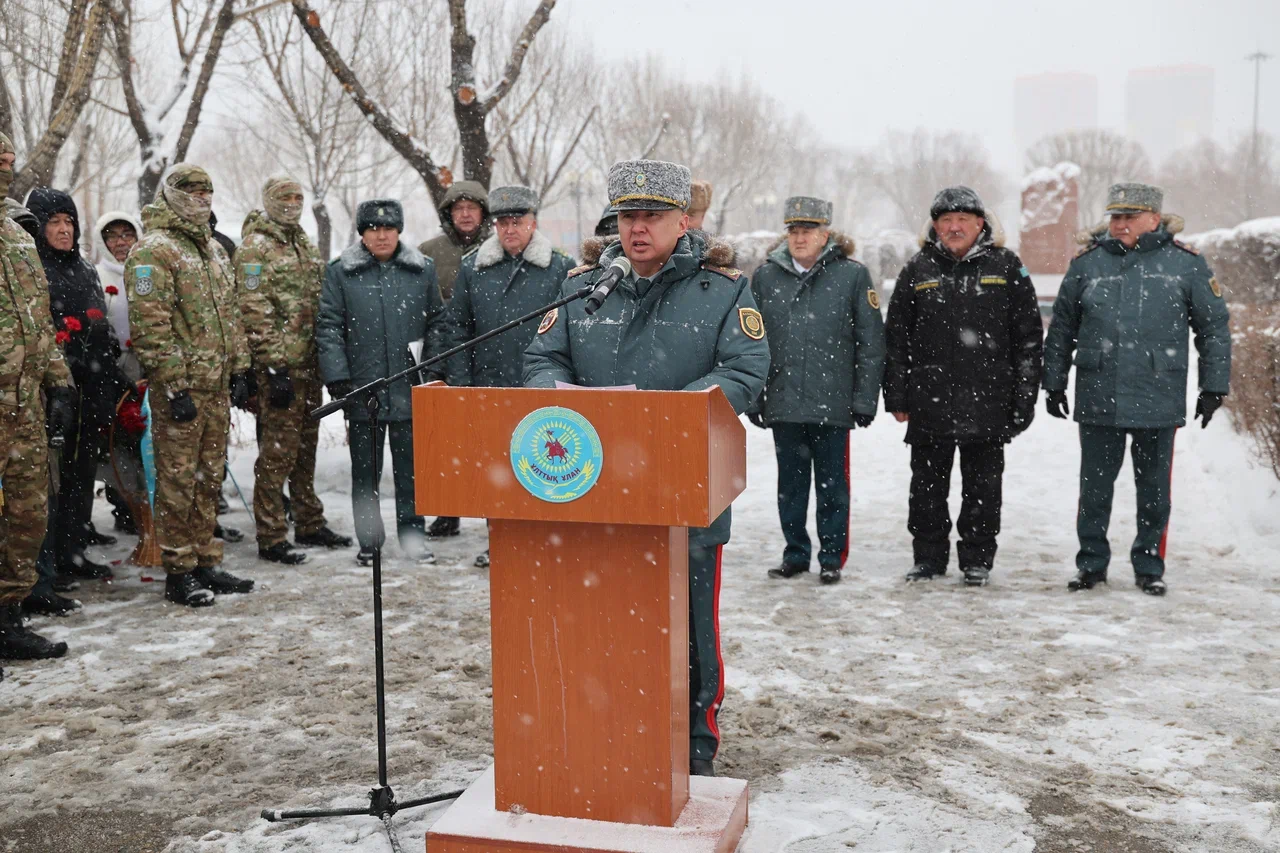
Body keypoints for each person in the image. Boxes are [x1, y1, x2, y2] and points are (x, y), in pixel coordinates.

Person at [525, 159, 770, 777]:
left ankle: (694, 742)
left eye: (652, 216)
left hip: (684, 485)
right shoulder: (584, 286)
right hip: (593, 488)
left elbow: (745, 370)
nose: (637, 228)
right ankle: (606, 732)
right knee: (599, 620)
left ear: (683, 220)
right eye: (627, 216)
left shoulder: (724, 289)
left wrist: (666, 421)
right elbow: (542, 358)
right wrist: (567, 402)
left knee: (690, 626)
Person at [1043, 183, 1231, 596]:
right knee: (1094, 491)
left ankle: (1149, 567)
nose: (1120, 224)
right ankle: (1091, 565)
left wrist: (1214, 386)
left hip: (1157, 395)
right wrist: (1053, 382)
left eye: (1129, 217)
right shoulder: (1087, 264)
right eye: (1115, 217)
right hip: (1099, 394)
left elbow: (1214, 328)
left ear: (1154, 219)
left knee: (1154, 493)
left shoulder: (1185, 265)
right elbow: (1062, 328)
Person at [883, 186, 1043, 587]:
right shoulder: (917, 269)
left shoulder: (1006, 266)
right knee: (926, 490)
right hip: (929, 402)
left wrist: (1025, 397)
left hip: (989, 401)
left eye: (963, 220)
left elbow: (1028, 338)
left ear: (980, 224)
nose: (954, 227)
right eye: (946, 220)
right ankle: (928, 558)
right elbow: (896, 338)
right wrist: (897, 393)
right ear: (935, 226)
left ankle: (977, 559)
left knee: (983, 489)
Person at [126, 163, 257, 607]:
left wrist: (240, 369)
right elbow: (150, 325)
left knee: (208, 478)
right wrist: (174, 385)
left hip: (215, 386)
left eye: (207, 190)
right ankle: (179, 569)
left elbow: (231, 313)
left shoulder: (213, 250)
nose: (201, 198)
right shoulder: (154, 251)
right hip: (181, 390)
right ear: (172, 195)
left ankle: (205, 559)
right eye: (192, 190)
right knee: (178, 482)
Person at [748, 196, 885, 585]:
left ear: (826, 234)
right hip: (784, 402)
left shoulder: (852, 276)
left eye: (808, 230)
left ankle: (831, 557)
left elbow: (871, 342)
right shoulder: (765, 278)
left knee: (832, 488)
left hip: (833, 404)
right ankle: (795, 554)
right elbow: (751, 342)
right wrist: (755, 396)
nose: (799, 237)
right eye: (793, 230)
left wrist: (864, 399)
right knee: (790, 488)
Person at [444, 185, 575, 568]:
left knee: (545, 464)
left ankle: (545, 540)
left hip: (542, 386)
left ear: (533, 222)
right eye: (503, 223)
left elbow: (571, 329)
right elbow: (457, 330)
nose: (510, 229)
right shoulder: (474, 267)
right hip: (490, 385)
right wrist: (461, 384)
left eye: (518, 221)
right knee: (497, 470)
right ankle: (500, 540)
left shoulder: (559, 268)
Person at [318, 199, 449, 567]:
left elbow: (438, 323)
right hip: (364, 390)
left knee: (412, 473)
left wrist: (433, 369)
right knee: (366, 475)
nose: (381, 235)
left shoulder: (421, 270)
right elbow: (328, 327)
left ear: (398, 231)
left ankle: (413, 538)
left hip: (410, 388)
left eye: (389, 228)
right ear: (362, 233)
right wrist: (338, 377)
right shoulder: (341, 273)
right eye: (373, 229)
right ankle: (369, 542)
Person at [237, 176, 352, 565]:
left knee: (305, 450)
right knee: (277, 453)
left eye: (297, 197)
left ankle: (309, 521)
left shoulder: (302, 242)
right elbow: (253, 309)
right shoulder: (255, 248)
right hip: (280, 369)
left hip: (309, 367)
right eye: (283, 197)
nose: (291, 203)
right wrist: (273, 366)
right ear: (268, 201)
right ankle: (271, 534)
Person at [27, 188, 132, 583]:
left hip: (93, 387)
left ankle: (73, 550)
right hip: (55, 391)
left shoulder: (85, 269)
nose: (64, 229)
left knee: (82, 473)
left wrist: (112, 370)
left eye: (69, 221)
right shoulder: (33, 270)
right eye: (54, 222)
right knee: (52, 481)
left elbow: (100, 323)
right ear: (39, 227)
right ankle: (46, 563)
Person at [0, 131, 76, 663]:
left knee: (27, 515)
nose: (6, 165)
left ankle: (9, 617)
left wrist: (59, 382)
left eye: (9, 158)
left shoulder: (16, 235)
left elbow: (38, 318)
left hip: (25, 403)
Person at [419, 180, 490, 540]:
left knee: (490, 440)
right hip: (443, 353)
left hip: (486, 352)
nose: (465, 214)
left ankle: (496, 517)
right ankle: (448, 511)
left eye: (471, 208)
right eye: (458, 208)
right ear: (448, 214)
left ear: (483, 213)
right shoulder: (429, 253)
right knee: (447, 440)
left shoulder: (494, 250)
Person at [93, 210, 144, 535]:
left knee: (146, 434)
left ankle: (148, 505)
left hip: (148, 361)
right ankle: (124, 506)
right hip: (115, 365)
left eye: (127, 234)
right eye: (113, 236)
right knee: (118, 438)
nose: (121, 242)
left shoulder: (147, 270)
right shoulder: (97, 276)